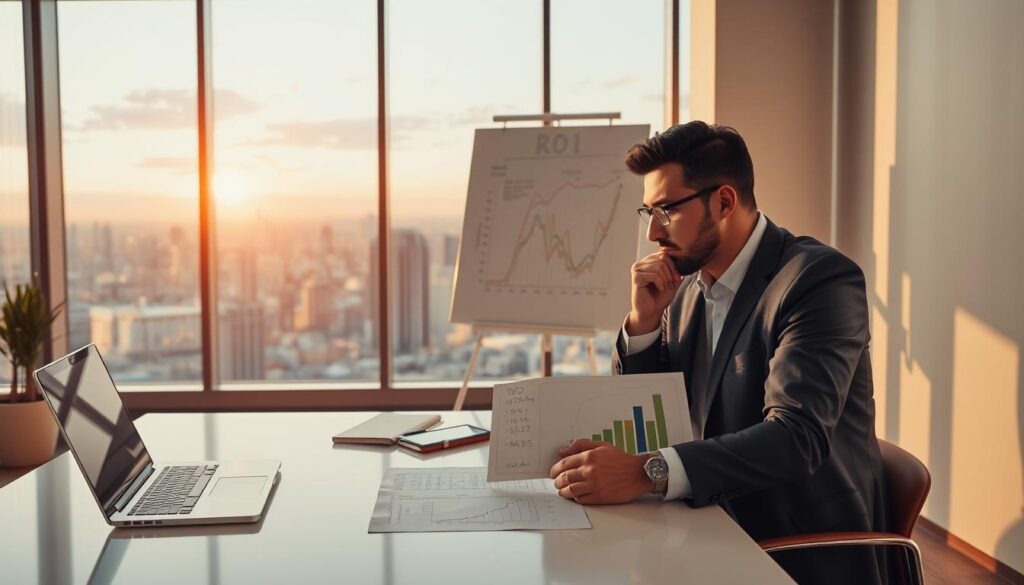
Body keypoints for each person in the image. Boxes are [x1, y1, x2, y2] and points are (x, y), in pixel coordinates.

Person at [548, 121, 889, 584]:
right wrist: (644, 324)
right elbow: (649, 414)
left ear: (724, 201)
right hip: (702, 523)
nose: (653, 232)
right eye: (647, 212)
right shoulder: (685, 290)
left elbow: (795, 437)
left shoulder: (819, 280)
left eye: (666, 209)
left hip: (792, 548)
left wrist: (644, 472)